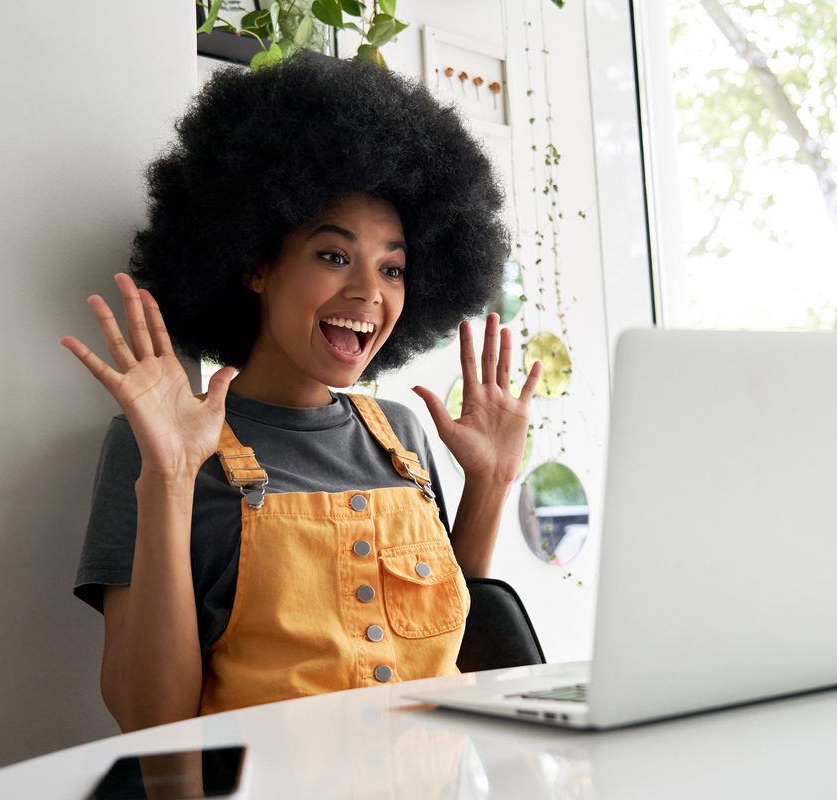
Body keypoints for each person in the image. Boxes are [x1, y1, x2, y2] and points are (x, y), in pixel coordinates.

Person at [59, 54, 541, 733]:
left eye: (393, 267)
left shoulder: (400, 435)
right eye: (333, 255)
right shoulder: (156, 442)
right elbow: (150, 721)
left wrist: (489, 484)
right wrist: (169, 477)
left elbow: (437, 645)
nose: (369, 294)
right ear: (257, 263)